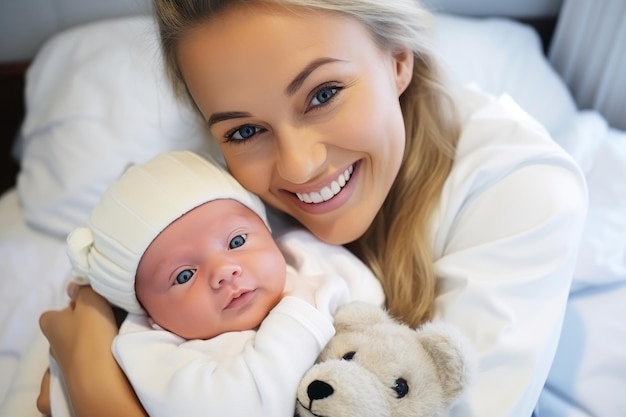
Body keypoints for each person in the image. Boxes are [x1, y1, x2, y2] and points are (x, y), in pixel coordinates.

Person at [38, 1, 589, 416]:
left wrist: (94, 385)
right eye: (246, 130)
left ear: (398, 61)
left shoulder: (526, 190)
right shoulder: (211, 184)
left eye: (323, 94)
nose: (299, 168)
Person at [43, 150, 384, 417]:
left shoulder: (301, 257)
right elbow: (243, 409)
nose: (224, 270)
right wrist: (299, 315)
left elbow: (372, 308)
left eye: (236, 241)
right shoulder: (152, 352)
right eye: (184, 275)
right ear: (149, 312)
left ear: (267, 232)